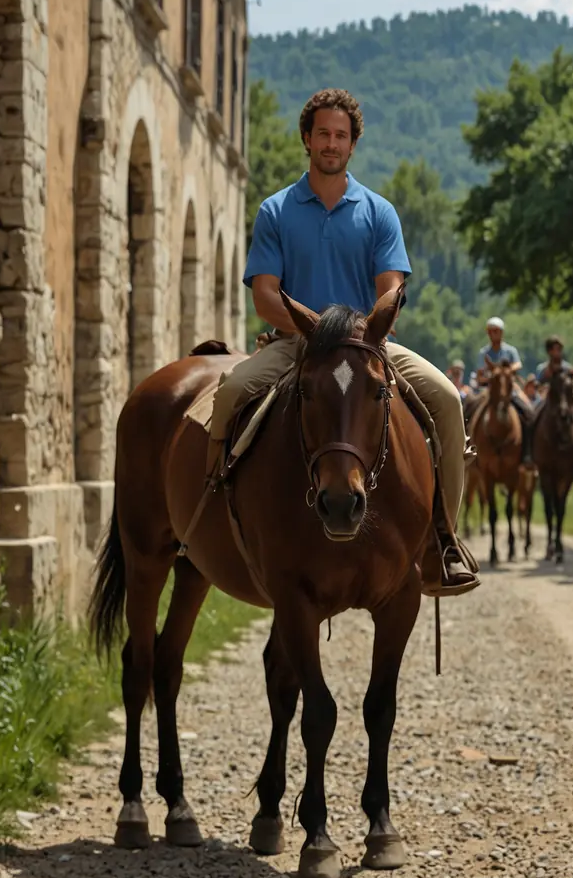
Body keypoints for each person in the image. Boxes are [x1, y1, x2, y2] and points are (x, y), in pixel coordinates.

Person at [206, 87, 480, 597]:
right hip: (297, 342)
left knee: (446, 399)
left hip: (366, 345)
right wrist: (314, 328)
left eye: (341, 136)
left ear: (353, 144)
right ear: (307, 139)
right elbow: (265, 295)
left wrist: (363, 327)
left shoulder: (379, 212)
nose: (331, 143)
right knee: (229, 394)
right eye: (323, 134)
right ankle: (210, 510)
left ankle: (443, 540)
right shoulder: (275, 210)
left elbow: (391, 290)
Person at [475, 316, 537, 468]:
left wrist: (503, 371)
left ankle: (528, 453)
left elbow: (518, 364)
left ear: (501, 333)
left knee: (528, 412)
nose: (494, 334)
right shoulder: (483, 353)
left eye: (497, 331)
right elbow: (479, 374)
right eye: (491, 331)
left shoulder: (510, 351)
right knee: (469, 409)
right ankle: (470, 452)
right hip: (489, 389)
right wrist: (492, 375)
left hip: (510, 390)